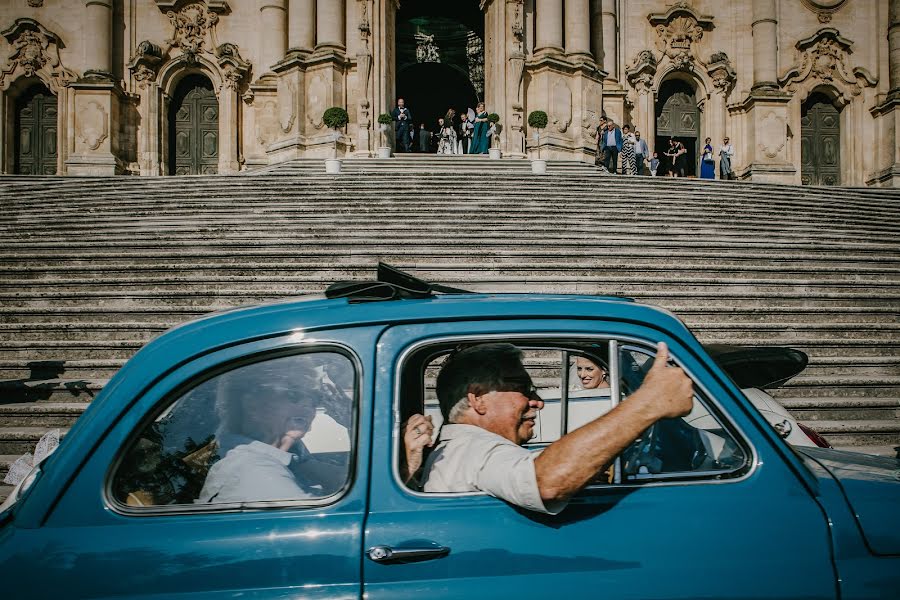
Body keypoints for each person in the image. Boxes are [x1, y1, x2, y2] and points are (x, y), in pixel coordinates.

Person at [414, 342, 693, 514]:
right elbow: (544, 483)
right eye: (523, 389)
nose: (537, 402)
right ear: (478, 398)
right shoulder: (475, 448)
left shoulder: (460, 447)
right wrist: (647, 405)